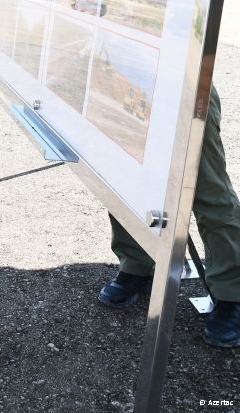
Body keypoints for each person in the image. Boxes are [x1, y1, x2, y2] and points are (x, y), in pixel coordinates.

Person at [98, 87, 240, 348]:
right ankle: (137, 264)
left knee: (208, 188)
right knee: (127, 177)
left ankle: (231, 291)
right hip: (127, 75)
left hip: (187, 84)